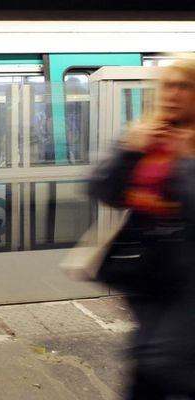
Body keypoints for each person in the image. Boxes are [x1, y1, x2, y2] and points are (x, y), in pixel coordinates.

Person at [89, 54, 195, 399]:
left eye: (184, 86)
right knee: (152, 362)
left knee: (166, 365)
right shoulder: (151, 137)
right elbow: (104, 190)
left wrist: (184, 163)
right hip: (154, 285)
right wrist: (128, 151)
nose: (172, 94)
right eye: (167, 85)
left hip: (185, 291)